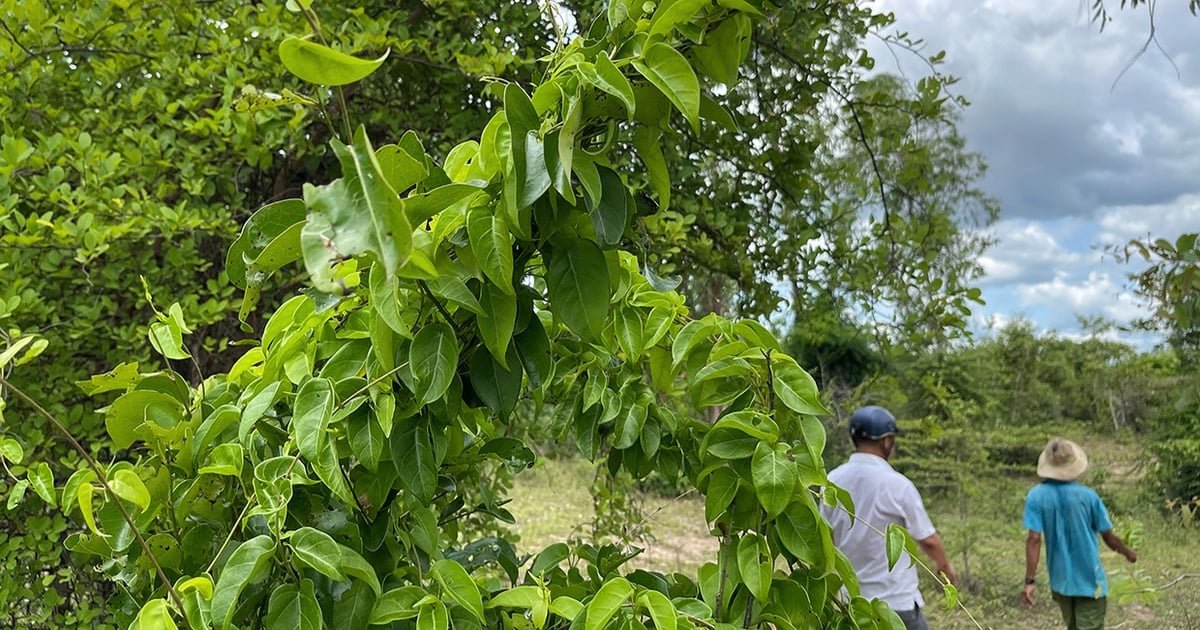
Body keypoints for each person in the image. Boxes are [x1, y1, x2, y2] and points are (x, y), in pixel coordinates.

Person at [820, 405, 957, 630]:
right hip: (895, 602)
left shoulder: (831, 481)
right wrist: (945, 566)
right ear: (885, 440)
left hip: (850, 604)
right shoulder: (897, 485)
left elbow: (827, 540)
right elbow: (928, 540)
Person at [1021, 437, 1137, 630]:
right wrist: (1128, 553)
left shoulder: (1036, 496)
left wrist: (1029, 581)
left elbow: (1034, 538)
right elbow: (1108, 537)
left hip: (1060, 581)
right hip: (1090, 580)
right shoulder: (1088, 496)